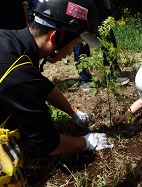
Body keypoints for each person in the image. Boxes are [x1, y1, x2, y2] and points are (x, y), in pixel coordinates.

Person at [0, 0, 114, 185]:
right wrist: (85, 142)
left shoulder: (12, 42)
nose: (72, 52)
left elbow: (41, 84)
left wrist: (74, 112)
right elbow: (48, 144)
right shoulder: (19, 75)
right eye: (75, 44)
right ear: (55, 37)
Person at [74, 0, 129, 91]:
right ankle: (86, 79)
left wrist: (107, 7)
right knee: (80, 42)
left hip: (97, 4)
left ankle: (113, 74)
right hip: (77, 3)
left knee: (108, 38)